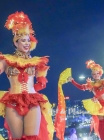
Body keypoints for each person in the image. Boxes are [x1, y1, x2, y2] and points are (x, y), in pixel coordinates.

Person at [0, 11, 54, 140]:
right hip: (13, 102)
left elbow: (41, 84)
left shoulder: (37, 62)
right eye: (23, 40)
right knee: (17, 138)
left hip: (32, 101)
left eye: (28, 40)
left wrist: (36, 83)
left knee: (32, 137)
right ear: (16, 42)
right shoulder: (6, 60)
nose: (26, 43)